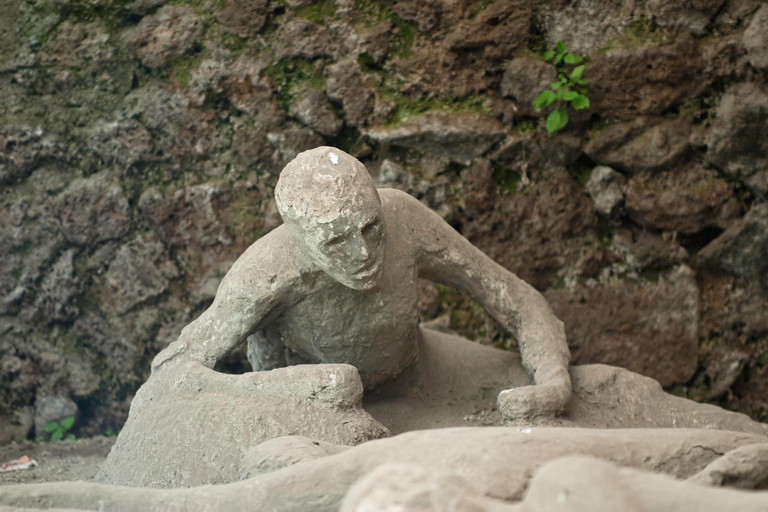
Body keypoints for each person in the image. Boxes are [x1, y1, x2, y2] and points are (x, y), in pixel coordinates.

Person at [152, 147, 571, 422]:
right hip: (310, 419)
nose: (363, 253)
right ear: (298, 239)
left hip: (419, 377)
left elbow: (513, 294)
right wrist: (295, 386)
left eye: (371, 228)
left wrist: (554, 380)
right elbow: (173, 373)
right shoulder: (264, 274)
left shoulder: (403, 217)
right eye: (336, 241)